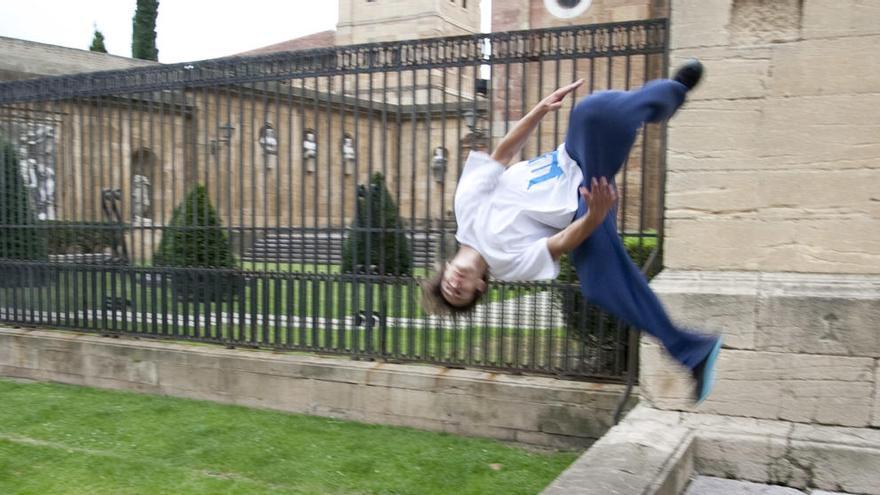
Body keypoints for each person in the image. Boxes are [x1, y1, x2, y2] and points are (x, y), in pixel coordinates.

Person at [422, 60, 722, 404]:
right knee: (599, 283)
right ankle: (692, 351)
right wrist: (595, 216)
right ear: (480, 287)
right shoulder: (507, 265)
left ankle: (671, 93)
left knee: (592, 110)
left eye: (448, 285)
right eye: (460, 293)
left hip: (573, 155)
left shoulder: (465, 207)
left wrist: (538, 111)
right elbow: (561, 242)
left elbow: (502, 154)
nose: (455, 285)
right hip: (585, 200)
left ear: (445, 269)